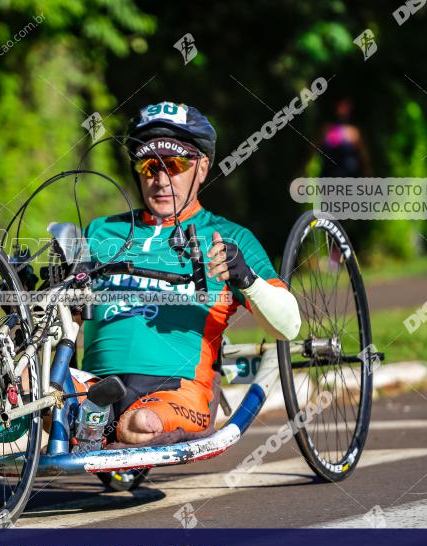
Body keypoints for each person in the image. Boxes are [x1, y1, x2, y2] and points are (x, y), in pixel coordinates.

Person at [78, 101, 301, 446]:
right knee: (13, 401)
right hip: (93, 387)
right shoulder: (101, 231)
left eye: (175, 164)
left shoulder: (228, 236)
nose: (160, 179)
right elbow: (67, 314)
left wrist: (247, 279)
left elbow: (288, 326)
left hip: (174, 389)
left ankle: (106, 429)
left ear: (202, 168)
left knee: (138, 423)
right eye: (150, 165)